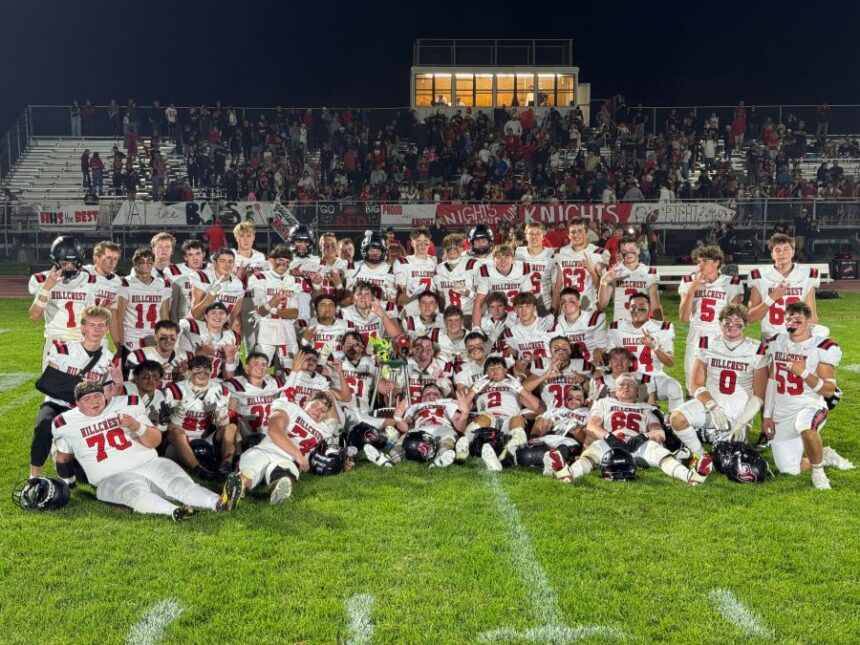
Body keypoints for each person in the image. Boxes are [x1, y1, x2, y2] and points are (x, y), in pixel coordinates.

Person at [53, 380, 242, 520]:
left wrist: (135, 425)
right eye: (87, 399)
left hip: (149, 462)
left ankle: (219, 502)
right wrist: (67, 484)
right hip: (111, 476)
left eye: (97, 396)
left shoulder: (127, 404)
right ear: (77, 404)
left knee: (180, 485)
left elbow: (155, 441)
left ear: (104, 395)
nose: (94, 401)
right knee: (135, 494)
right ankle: (173, 512)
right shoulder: (65, 422)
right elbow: (62, 457)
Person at [544, 373, 708, 486]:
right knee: (595, 450)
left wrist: (643, 437)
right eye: (622, 384)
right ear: (615, 390)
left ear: (637, 391)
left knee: (658, 452)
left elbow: (659, 433)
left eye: (631, 385)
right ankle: (568, 474)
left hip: (639, 444)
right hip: (612, 442)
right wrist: (608, 437)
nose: (626, 387)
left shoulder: (646, 408)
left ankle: (690, 476)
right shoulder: (604, 403)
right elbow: (592, 426)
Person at [669, 304, 768, 477]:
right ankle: (700, 455)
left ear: (745, 324)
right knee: (676, 418)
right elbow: (695, 384)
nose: (732, 324)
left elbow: (759, 395)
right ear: (720, 323)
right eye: (727, 321)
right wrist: (713, 406)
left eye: (738, 321)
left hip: (738, 413)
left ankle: (705, 435)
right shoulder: (708, 343)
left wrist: (742, 422)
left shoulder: (757, 349)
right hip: (712, 406)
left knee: (726, 457)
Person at [762, 302, 853, 488]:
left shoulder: (821, 346)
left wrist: (803, 372)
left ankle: (818, 473)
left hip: (810, 404)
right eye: (789, 319)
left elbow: (829, 390)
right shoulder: (777, 342)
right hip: (783, 410)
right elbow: (772, 380)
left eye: (798, 320)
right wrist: (767, 415)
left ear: (809, 321)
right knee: (788, 468)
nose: (793, 324)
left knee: (805, 425)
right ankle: (825, 455)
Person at [29, 306, 119, 477]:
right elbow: (50, 384)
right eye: (92, 325)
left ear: (107, 329)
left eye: (101, 325)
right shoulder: (64, 349)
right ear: (83, 328)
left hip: (82, 410)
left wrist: (117, 382)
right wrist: (82, 390)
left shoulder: (109, 358)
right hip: (56, 403)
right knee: (43, 426)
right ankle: (34, 477)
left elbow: (106, 395)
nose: (96, 330)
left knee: (83, 475)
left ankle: (70, 466)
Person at [236, 392, 341, 505]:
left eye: (323, 410)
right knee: (250, 470)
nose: (318, 411)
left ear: (326, 415)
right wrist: (298, 455)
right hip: (267, 449)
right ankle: (238, 487)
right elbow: (274, 430)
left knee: (283, 473)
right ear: (305, 403)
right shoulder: (291, 408)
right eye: (315, 405)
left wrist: (343, 462)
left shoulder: (325, 431)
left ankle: (276, 491)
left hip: (288, 460)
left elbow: (332, 448)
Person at [677, 245, 744, 392]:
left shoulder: (731, 282)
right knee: (693, 383)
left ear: (716, 263)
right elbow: (683, 317)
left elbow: (737, 317)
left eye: (704, 261)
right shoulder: (689, 280)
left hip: (719, 336)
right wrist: (692, 289)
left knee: (718, 383)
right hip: (696, 335)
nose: (699, 265)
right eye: (698, 261)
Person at [162, 355, 240, 479]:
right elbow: (164, 425)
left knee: (231, 428)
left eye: (206, 370)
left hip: (204, 438)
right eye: (198, 369)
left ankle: (226, 464)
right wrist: (178, 414)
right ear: (190, 371)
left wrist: (221, 412)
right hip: (178, 441)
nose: (202, 373)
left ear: (211, 371)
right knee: (176, 432)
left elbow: (222, 426)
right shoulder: (175, 389)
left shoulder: (220, 391)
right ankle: (198, 470)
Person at [461, 356, 542, 471]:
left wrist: (521, 390)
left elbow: (540, 408)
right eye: (491, 368)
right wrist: (474, 390)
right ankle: (463, 448)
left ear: (505, 370)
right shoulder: (479, 386)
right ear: (485, 372)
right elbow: (461, 406)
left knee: (517, 418)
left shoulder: (514, 384)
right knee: (482, 418)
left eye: (498, 367)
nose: (495, 370)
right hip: (488, 421)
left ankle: (509, 451)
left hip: (509, 421)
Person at [29, 236, 100, 368]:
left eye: (73, 263)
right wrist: (47, 287)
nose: (69, 267)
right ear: (56, 261)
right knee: (52, 388)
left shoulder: (90, 281)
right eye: (64, 263)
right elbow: (34, 316)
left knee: (84, 388)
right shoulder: (46, 280)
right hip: (55, 344)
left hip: (82, 343)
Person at [607, 292, 683, 411]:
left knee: (674, 387)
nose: (637, 309)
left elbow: (670, 362)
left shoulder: (662, 328)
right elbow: (609, 359)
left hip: (655, 375)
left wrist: (653, 346)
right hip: (628, 377)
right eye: (633, 307)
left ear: (650, 308)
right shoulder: (617, 328)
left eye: (642, 305)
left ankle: (675, 424)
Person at [367, 383, 471, 468]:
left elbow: (460, 428)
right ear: (421, 397)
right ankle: (387, 460)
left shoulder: (449, 404)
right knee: (404, 440)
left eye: (435, 391)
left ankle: (441, 459)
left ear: (441, 396)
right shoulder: (414, 406)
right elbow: (405, 428)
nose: (431, 393)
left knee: (446, 442)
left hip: (442, 428)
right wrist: (398, 417)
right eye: (427, 392)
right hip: (418, 431)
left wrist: (465, 413)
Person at [747, 233, 823, 341]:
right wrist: (771, 298)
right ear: (772, 255)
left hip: (797, 339)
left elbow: (812, 317)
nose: (782, 253)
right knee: (760, 358)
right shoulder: (759, 276)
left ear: (793, 252)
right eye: (777, 250)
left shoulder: (807, 274)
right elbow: (750, 318)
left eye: (786, 249)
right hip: (770, 338)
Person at [247, 244, 301, 368]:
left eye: (287, 262)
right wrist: (273, 303)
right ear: (271, 260)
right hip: (267, 329)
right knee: (260, 368)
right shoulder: (259, 278)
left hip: (288, 330)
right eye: (280, 260)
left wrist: (272, 307)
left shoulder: (294, 281)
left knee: (290, 370)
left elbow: (294, 313)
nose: (284, 265)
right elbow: (261, 311)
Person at [113, 247, 172, 353]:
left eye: (149, 261)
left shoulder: (163, 284)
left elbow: (165, 318)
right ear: (135, 263)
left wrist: (166, 340)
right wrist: (120, 343)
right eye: (141, 262)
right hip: (131, 339)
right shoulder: (125, 283)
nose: (145, 264)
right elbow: (119, 317)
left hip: (154, 338)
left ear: (153, 263)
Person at [597, 235, 662, 322]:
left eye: (631, 249)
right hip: (621, 326)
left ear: (638, 250)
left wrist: (660, 328)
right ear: (620, 253)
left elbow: (655, 305)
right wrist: (603, 281)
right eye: (624, 251)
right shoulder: (614, 272)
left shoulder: (649, 272)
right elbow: (602, 304)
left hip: (642, 324)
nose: (628, 253)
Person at [225, 351, 286, 439]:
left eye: (264, 364)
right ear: (246, 368)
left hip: (271, 433)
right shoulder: (236, 386)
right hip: (246, 436)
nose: (260, 367)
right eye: (256, 364)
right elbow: (230, 417)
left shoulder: (274, 383)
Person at [551, 218, 608, 311]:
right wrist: (553, 312)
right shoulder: (561, 253)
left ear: (586, 233)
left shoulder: (597, 253)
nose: (576, 235)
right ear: (568, 235)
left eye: (580, 231)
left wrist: (592, 271)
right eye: (573, 232)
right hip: (567, 310)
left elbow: (601, 289)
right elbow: (557, 288)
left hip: (588, 309)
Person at [472, 245, 533, 329]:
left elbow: (529, 300)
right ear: (493, 260)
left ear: (513, 259)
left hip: (517, 317)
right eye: (498, 257)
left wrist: (532, 322)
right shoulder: (486, 271)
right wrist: (476, 328)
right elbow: (478, 302)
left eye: (507, 256)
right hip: (495, 317)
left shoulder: (522, 269)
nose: (503, 261)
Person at [177, 302, 239, 381]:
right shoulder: (192, 327)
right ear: (206, 316)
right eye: (213, 312)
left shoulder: (232, 338)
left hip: (213, 385)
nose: (218, 315)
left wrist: (230, 358)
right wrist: (199, 355)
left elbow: (229, 377)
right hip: (188, 380)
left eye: (221, 313)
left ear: (227, 317)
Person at [190, 248, 245, 336]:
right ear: (215, 263)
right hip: (200, 332)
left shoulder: (237, 284)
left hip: (223, 333)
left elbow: (235, 320)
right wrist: (212, 294)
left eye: (230, 261)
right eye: (222, 261)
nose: (227, 265)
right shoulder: (201, 277)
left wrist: (235, 341)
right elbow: (196, 315)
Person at [125, 320, 194, 384]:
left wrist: (185, 374)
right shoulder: (138, 356)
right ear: (155, 337)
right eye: (164, 337)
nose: (168, 340)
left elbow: (195, 386)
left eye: (172, 336)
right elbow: (132, 388)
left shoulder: (187, 357)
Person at [552, 287, 608, 365]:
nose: (566, 303)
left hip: (593, 365)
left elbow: (603, 348)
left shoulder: (594, 319)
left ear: (579, 303)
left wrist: (598, 351)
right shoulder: (556, 323)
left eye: (571, 300)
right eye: (563, 301)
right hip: (568, 368)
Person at [434, 233, 476, 327]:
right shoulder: (439, 269)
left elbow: (483, 296)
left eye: (456, 246)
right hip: (449, 317)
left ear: (462, 248)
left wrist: (468, 293)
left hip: (468, 315)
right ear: (444, 249)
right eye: (449, 247)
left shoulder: (473, 264)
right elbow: (441, 296)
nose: (452, 249)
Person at [394, 228, 438, 315]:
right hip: (412, 313)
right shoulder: (402, 262)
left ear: (429, 243)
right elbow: (399, 300)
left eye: (425, 241)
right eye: (418, 241)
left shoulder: (436, 262)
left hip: (433, 314)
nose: (422, 244)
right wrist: (410, 292)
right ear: (412, 243)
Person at [515, 221, 556, 314]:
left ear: (543, 235)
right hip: (523, 306)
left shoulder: (550, 254)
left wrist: (554, 311)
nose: (534, 237)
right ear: (526, 236)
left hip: (544, 305)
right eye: (531, 233)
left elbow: (555, 287)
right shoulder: (518, 253)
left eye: (538, 233)